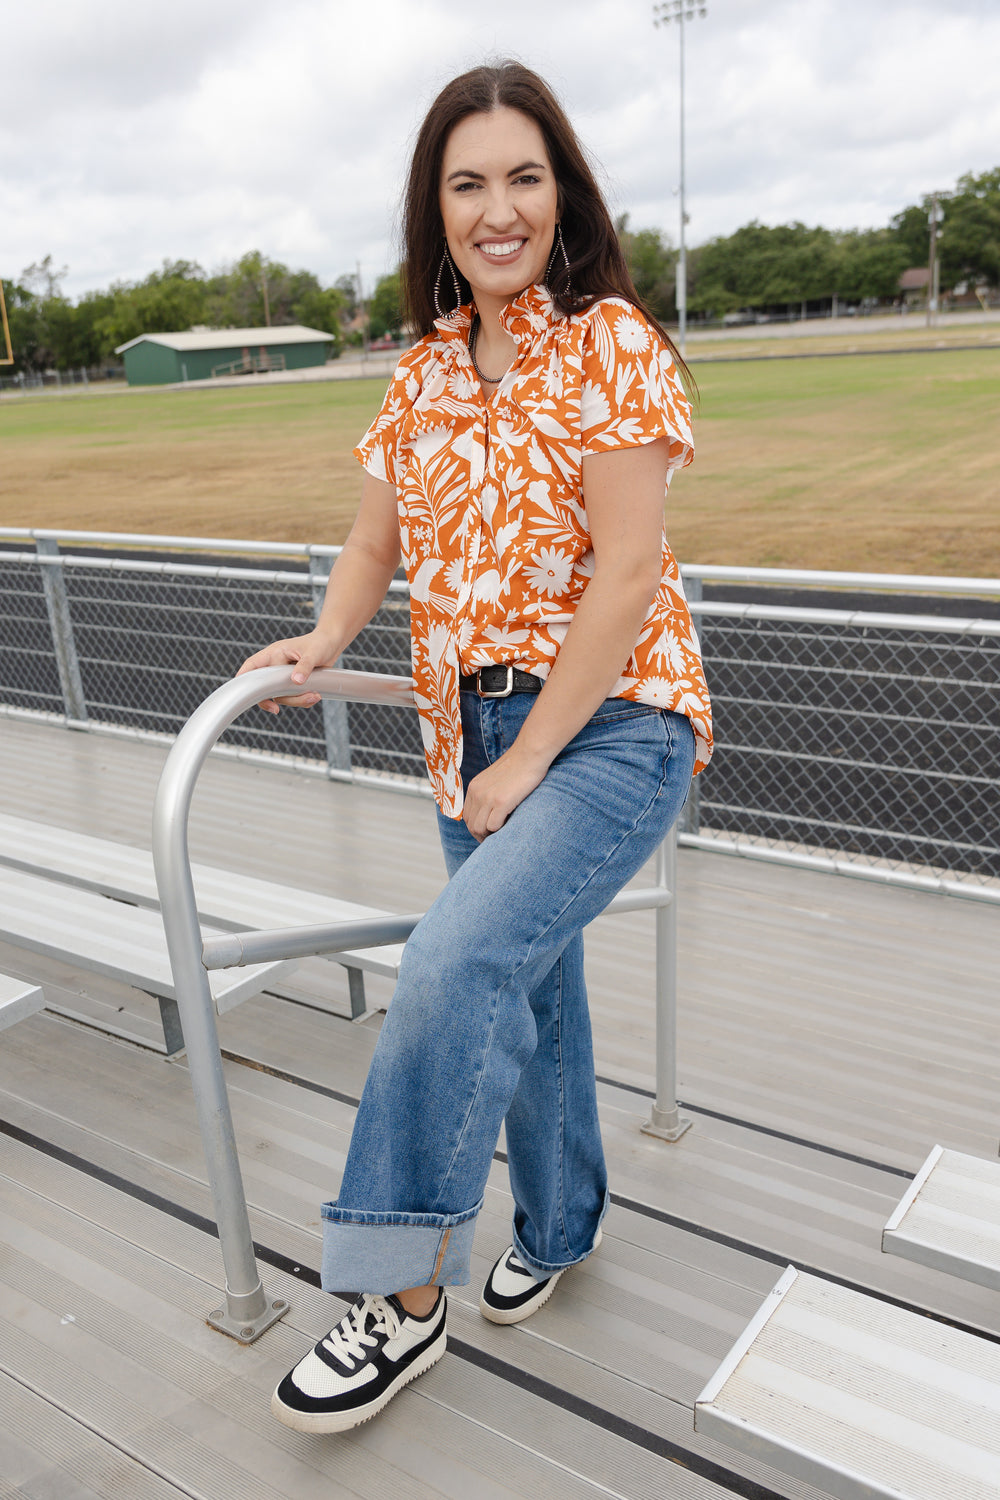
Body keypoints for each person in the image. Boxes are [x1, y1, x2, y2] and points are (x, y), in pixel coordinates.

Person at [239, 60, 713, 1435]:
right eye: (467, 184)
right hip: (470, 726)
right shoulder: (428, 369)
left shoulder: (611, 341)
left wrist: (530, 761)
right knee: (534, 991)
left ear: (560, 192)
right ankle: (561, 1226)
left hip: (614, 725)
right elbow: (379, 538)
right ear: (433, 210)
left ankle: (395, 1293)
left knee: (452, 962)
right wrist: (329, 635)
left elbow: (626, 575)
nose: (497, 209)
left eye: (523, 176)